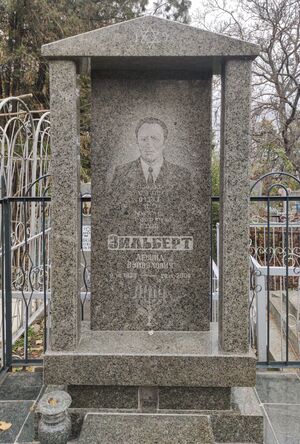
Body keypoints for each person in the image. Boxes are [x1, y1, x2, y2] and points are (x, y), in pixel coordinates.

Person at [108, 117, 195, 234]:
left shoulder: (182, 175)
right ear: (137, 142)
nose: (149, 144)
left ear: (165, 142)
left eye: (154, 138)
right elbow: (114, 215)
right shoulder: (121, 172)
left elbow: (187, 218)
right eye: (144, 139)